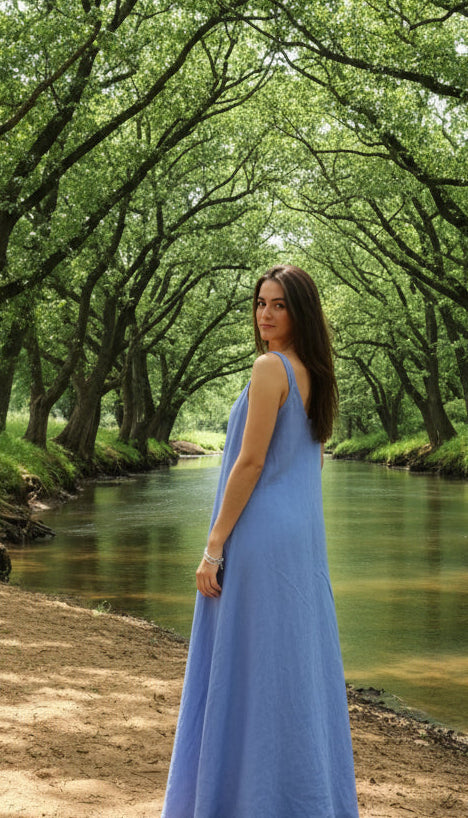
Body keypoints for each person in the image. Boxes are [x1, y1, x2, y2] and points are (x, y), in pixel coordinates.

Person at [161, 265, 360, 818]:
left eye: (279, 305)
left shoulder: (270, 367)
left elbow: (249, 463)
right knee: (290, 664)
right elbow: (311, 462)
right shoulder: (315, 374)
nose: (265, 314)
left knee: (248, 664)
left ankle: (240, 801)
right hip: (301, 541)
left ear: (301, 313)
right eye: (260, 302)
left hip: (259, 537)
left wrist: (213, 546)